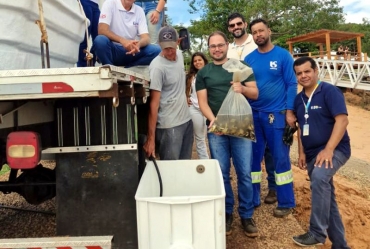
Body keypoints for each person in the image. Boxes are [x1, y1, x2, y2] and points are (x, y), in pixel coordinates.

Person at [196, 31, 259, 237]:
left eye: (220, 45)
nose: (217, 49)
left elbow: (255, 93)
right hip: (217, 131)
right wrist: (215, 122)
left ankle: (246, 215)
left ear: (226, 46)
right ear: (209, 48)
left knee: (244, 174)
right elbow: (203, 103)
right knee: (221, 174)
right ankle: (227, 212)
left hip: (240, 126)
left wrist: (242, 88)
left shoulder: (240, 67)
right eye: (213, 46)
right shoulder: (203, 73)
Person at [292, 56, 351, 248]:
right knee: (328, 199)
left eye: (307, 71)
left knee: (319, 177)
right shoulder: (298, 99)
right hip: (311, 153)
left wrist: (328, 149)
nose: (304, 76)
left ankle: (317, 233)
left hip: (335, 149)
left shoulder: (329, 91)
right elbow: (301, 128)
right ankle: (341, 245)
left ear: (316, 71)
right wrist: (301, 153)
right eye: (299, 73)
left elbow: (342, 121)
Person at [244, 18, 297, 217]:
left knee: (280, 158)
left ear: (269, 31)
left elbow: (292, 84)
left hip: (277, 114)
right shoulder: (249, 59)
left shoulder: (283, 56)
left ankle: (286, 202)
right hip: (254, 115)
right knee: (253, 159)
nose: (258, 34)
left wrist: (290, 111)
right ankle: (253, 197)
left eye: (261, 30)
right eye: (254, 32)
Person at [227, 12, 276, 206]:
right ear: (229, 29)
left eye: (239, 23)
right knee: (249, 151)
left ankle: (273, 187)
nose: (236, 27)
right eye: (232, 25)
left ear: (245, 24)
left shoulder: (257, 42)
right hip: (241, 105)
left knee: (270, 151)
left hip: (264, 103)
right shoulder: (228, 49)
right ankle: (253, 193)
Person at [143, 26, 193, 160]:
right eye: (165, 48)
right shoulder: (157, 67)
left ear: (178, 42)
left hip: (187, 121)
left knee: (185, 165)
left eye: (172, 47)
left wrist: (184, 97)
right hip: (169, 126)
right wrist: (151, 139)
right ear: (159, 45)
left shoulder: (181, 56)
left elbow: (179, 83)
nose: (169, 52)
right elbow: (153, 104)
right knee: (171, 170)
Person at [93, 0, 161, 67]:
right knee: (100, 40)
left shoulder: (139, 10)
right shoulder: (109, 3)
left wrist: (138, 45)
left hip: (131, 51)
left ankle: (130, 67)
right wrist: (122, 41)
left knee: (157, 50)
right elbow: (102, 30)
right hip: (113, 50)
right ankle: (109, 67)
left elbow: (146, 38)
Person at [185, 52, 209, 159]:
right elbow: (184, 90)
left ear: (204, 61)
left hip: (209, 109)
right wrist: (186, 97)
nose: (197, 62)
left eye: (199, 60)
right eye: (195, 61)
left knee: (214, 138)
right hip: (195, 109)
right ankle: (206, 163)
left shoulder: (211, 73)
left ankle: (219, 165)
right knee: (199, 138)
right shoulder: (191, 77)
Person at [77, 0, 100, 67]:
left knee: (98, 37)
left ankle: (91, 61)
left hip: (96, 4)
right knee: (85, 35)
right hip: (85, 2)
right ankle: (82, 65)